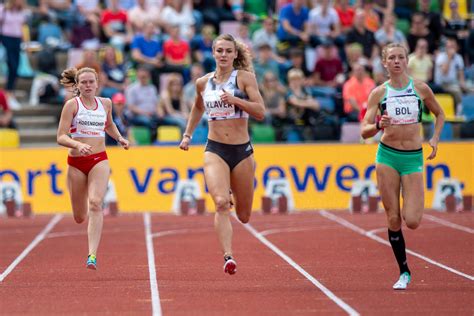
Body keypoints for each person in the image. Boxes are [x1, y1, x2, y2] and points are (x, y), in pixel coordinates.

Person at [179, 34, 265, 275]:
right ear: (213, 53)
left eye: (228, 51)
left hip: (242, 151)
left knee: (245, 215)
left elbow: (260, 111)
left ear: (235, 54)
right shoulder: (202, 83)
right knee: (220, 203)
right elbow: (197, 108)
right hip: (215, 148)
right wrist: (187, 135)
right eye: (220, 51)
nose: (224, 55)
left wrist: (236, 100)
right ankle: (228, 256)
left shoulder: (245, 79)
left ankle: (233, 196)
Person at [361, 43, 445, 290]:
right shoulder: (378, 93)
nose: (396, 61)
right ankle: (404, 271)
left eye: (400, 57)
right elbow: (364, 130)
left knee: (413, 220)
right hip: (387, 155)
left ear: (407, 61)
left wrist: (435, 138)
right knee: (393, 217)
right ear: (385, 63)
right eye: (392, 58)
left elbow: (440, 114)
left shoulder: (420, 88)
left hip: (412, 157)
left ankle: (405, 268)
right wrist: (378, 125)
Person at [57, 67, 130, 270]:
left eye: (91, 82)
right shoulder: (72, 105)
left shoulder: (106, 103)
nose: (88, 85)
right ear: (78, 85)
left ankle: (92, 255)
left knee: (96, 203)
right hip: (77, 163)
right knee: (80, 216)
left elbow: (109, 124)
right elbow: (60, 136)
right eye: (84, 82)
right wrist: (77, 145)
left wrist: (120, 138)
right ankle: (86, 225)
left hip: (100, 159)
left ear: (98, 84)